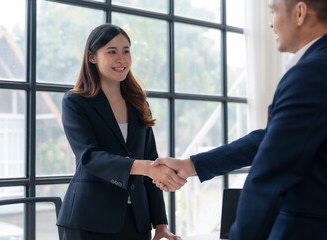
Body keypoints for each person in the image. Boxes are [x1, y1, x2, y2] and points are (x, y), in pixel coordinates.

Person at [152, 0, 327, 239]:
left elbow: (271, 174)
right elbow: (270, 139)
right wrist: (191, 165)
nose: (270, 23)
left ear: (299, 12)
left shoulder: (311, 74)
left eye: (273, 11)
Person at [56, 23, 185, 240]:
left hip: (136, 222)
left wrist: (161, 224)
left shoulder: (138, 102)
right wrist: (144, 167)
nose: (121, 59)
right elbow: (89, 157)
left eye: (126, 50)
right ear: (92, 57)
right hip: (88, 220)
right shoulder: (76, 102)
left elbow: (151, 161)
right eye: (112, 51)